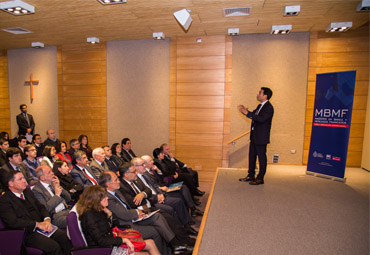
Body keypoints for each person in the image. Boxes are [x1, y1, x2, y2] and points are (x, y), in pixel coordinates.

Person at [100, 170, 193, 255]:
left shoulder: (115, 191)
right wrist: (137, 212)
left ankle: (175, 245)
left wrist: (138, 213)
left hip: (132, 218)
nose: (119, 181)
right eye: (116, 180)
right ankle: (170, 249)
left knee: (157, 216)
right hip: (125, 225)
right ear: (108, 184)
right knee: (156, 231)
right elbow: (123, 214)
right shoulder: (108, 197)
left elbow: (128, 208)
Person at [0, 171, 72, 255]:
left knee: (64, 237)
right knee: (53, 247)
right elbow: (13, 222)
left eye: (23, 178)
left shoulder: (27, 192)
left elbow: (41, 207)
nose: (24, 181)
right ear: (11, 183)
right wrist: (37, 224)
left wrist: (47, 220)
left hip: (43, 225)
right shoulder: (4, 201)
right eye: (20, 179)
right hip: (27, 232)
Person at [76, 185, 160, 255]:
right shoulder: (89, 216)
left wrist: (110, 214)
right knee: (146, 254)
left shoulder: (100, 210)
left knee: (151, 243)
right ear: (95, 200)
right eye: (104, 197)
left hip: (111, 243)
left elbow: (114, 225)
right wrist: (124, 240)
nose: (107, 198)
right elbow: (101, 241)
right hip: (104, 250)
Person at [238, 87, 274, 185]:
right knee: (252, 156)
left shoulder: (269, 108)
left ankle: (260, 178)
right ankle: (250, 175)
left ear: (265, 95)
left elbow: (261, 119)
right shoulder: (259, 106)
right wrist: (244, 111)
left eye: (260, 93)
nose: (258, 94)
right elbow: (253, 115)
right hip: (254, 136)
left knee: (262, 158)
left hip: (261, 137)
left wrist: (247, 113)